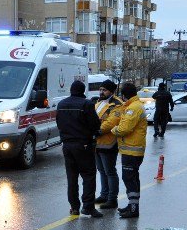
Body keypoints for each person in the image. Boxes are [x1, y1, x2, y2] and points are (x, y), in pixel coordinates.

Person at [56, 80, 103, 218]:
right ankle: (88, 207)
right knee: (88, 176)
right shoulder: (87, 104)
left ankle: (74, 207)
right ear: (83, 91)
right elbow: (95, 124)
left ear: (71, 89)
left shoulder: (61, 104)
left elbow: (59, 123)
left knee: (72, 177)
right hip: (83, 144)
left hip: (67, 145)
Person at [112, 82, 147, 219]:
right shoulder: (134, 106)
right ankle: (132, 205)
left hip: (132, 151)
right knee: (132, 178)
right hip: (132, 150)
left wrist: (113, 130)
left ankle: (133, 209)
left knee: (129, 178)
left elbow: (123, 129)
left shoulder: (133, 108)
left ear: (124, 95)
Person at [94, 79, 124, 209]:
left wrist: (97, 131)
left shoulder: (117, 104)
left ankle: (112, 199)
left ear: (111, 91)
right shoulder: (99, 102)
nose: (101, 92)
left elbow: (111, 122)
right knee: (101, 170)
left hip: (109, 142)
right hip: (97, 142)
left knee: (110, 171)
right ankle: (104, 194)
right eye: (100, 89)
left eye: (104, 90)